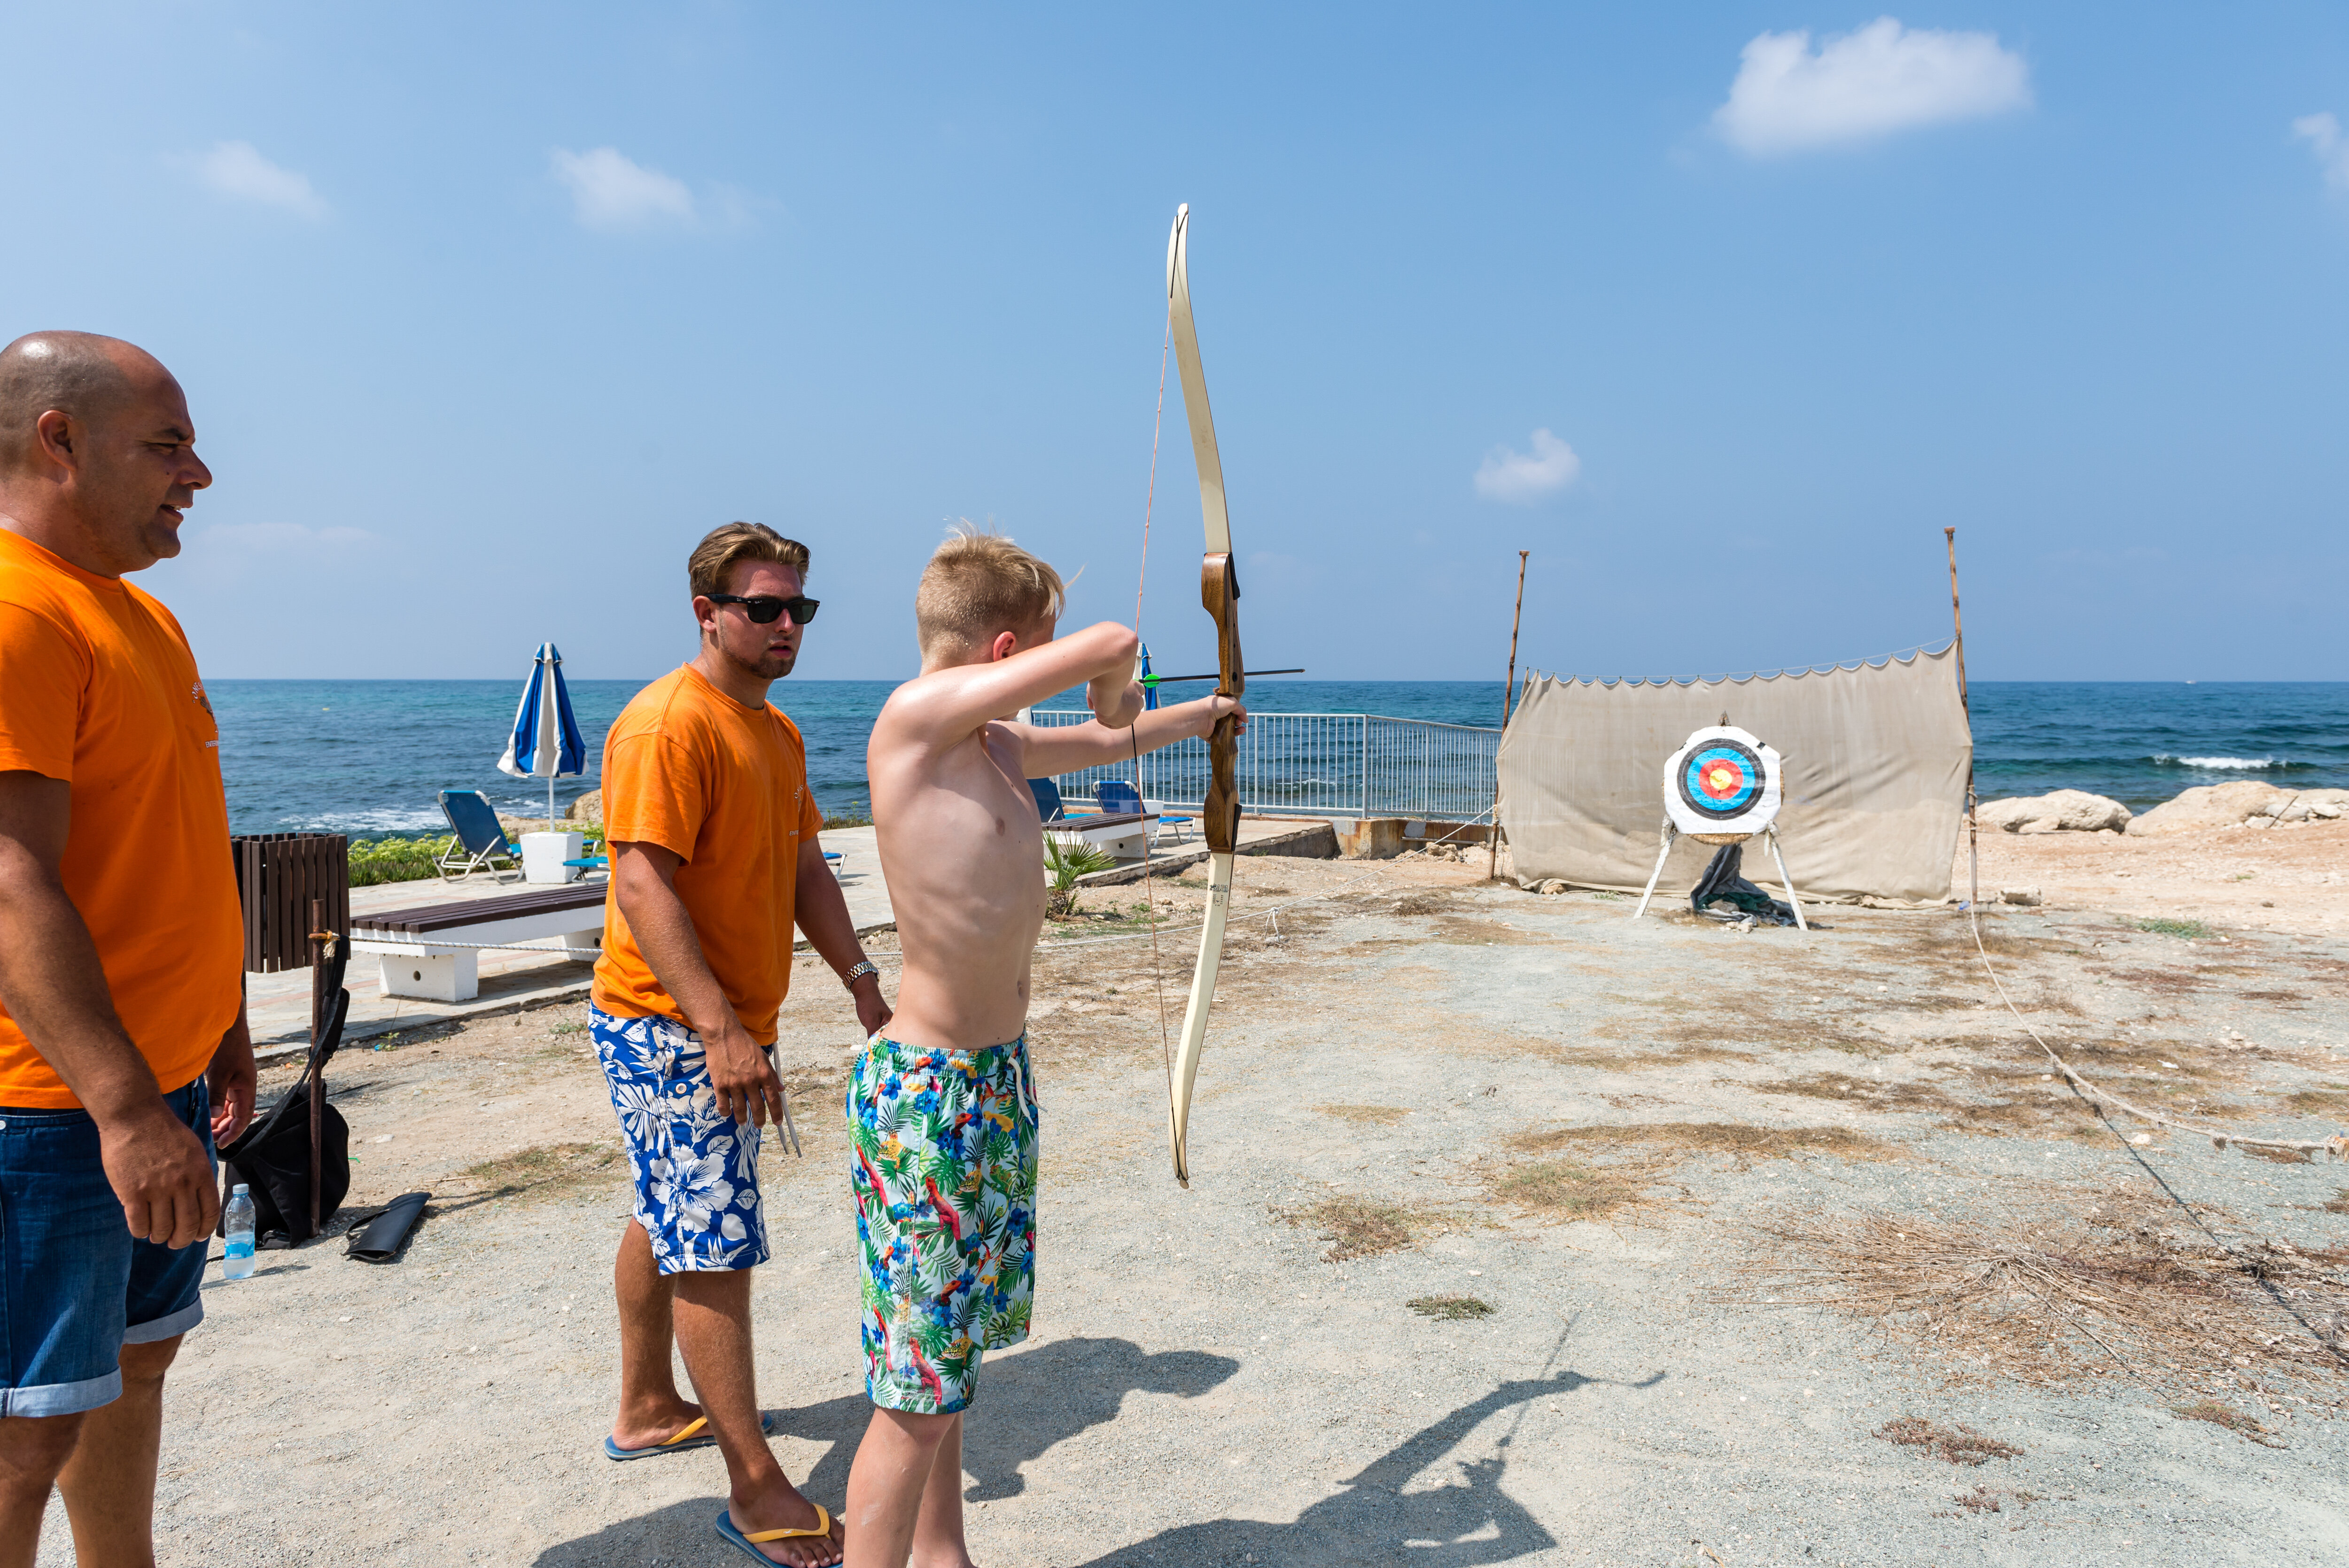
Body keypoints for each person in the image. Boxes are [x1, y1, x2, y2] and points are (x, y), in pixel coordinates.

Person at [844, 528, 1244, 1568]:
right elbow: (1113, 642)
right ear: (1006, 647)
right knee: (914, 1389)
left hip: (992, 1080)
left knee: (953, 1360)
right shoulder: (915, 720)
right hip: (927, 1092)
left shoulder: (993, 747)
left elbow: (1111, 742)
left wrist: (1199, 716)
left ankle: (944, 1557)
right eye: (1037, 655)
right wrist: (1109, 678)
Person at [0, 332, 256, 1567]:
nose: (197, 473)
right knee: (23, 1433)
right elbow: (7, 878)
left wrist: (221, 1029)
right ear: (60, 439)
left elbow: (168, 838)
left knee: (136, 1369)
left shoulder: (137, 613)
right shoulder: (15, 611)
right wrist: (120, 1107)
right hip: (50, 1106)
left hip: (161, 1078)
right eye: (167, 445)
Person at [590, 521, 886, 1568]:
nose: (784, 627)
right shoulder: (670, 725)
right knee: (711, 1238)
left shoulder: (777, 730)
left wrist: (860, 980)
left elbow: (806, 866)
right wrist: (718, 1028)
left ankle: (641, 1404)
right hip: (669, 1023)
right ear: (707, 613)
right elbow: (639, 880)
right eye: (763, 607)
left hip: (717, 1022)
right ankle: (755, 1485)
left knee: (664, 1205)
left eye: (798, 609)